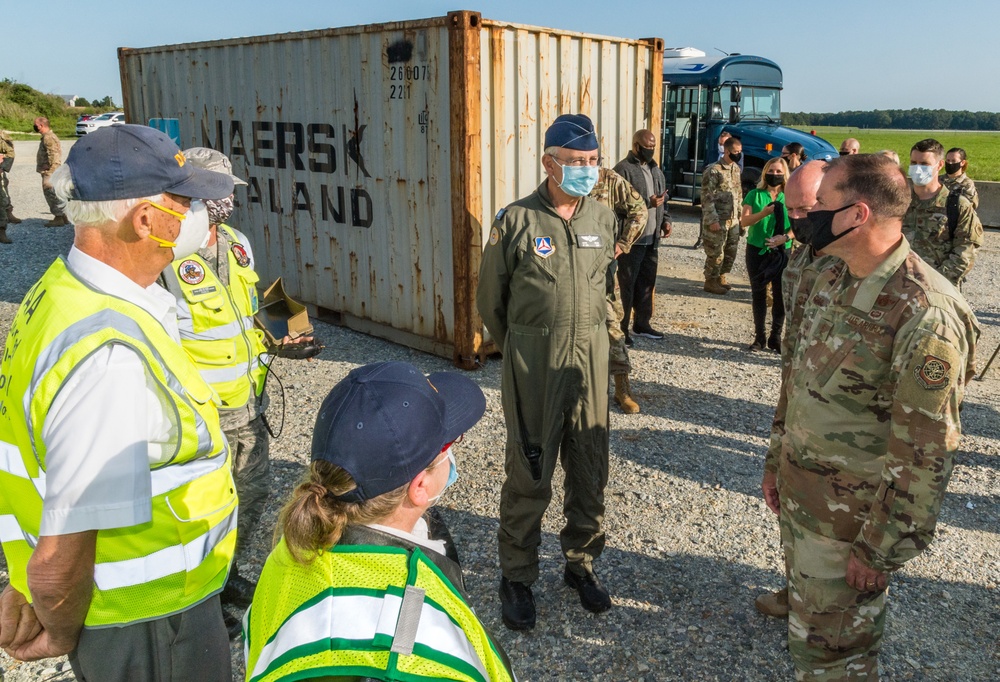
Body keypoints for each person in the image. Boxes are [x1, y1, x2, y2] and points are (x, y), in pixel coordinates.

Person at [0, 124, 237, 681]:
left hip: (146, 613)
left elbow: (43, 462)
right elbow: (68, 537)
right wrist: (55, 618)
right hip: (150, 620)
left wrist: (18, 578)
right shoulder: (108, 354)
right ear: (147, 220)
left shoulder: (64, 293)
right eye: (184, 201)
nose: (197, 214)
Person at [770, 153, 979, 679]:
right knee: (809, 636)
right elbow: (797, 380)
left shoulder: (926, 313)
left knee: (835, 657)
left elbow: (926, 453)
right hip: (806, 500)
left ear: (856, 214)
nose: (805, 212)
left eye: (819, 203)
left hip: (855, 524)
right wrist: (777, 461)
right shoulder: (829, 274)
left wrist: (881, 551)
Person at [243, 361, 516, 682]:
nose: (453, 453)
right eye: (448, 446)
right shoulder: (420, 650)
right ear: (420, 487)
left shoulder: (287, 556)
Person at [477, 113, 616, 631]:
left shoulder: (602, 219)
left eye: (592, 161)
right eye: (576, 162)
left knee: (589, 468)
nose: (586, 170)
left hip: (590, 365)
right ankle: (517, 575)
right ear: (548, 163)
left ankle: (581, 564)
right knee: (530, 471)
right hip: (536, 365)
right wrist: (525, 348)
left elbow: (606, 287)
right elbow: (491, 303)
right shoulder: (515, 221)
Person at [157, 147, 270, 632]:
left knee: (253, 493)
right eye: (217, 191)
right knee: (204, 508)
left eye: (229, 191)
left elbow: (256, 302)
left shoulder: (237, 241)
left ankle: (226, 575)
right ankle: (202, 597)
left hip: (250, 400)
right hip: (202, 412)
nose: (227, 200)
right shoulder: (166, 255)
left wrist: (287, 331)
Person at [757, 159, 833, 619]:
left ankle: (828, 615)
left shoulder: (857, 263)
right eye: (792, 211)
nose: (797, 220)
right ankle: (796, 586)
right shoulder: (806, 252)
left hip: (844, 423)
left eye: (805, 210)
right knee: (795, 509)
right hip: (798, 395)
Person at [589, 166, 646, 413]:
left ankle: (622, 388)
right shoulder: (559, 180)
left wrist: (623, 242)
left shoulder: (610, 180)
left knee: (612, 325)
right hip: (569, 264)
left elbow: (639, 210)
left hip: (601, 266)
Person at [614, 129, 671, 343]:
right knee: (627, 285)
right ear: (636, 146)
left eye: (654, 147)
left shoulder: (656, 170)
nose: (651, 151)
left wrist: (666, 220)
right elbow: (615, 204)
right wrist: (648, 203)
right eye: (647, 147)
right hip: (632, 240)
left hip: (651, 239)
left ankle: (641, 324)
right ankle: (621, 330)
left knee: (647, 283)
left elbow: (664, 199)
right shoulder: (623, 170)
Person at [902, 138, 983, 287]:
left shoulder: (957, 205)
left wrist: (935, 282)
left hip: (939, 289)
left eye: (924, 164)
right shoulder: (900, 202)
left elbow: (966, 251)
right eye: (914, 163)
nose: (918, 168)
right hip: (899, 288)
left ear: (939, 165)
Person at [739, 157, 791, 352]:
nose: (774, 175)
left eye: (778, 172)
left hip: (781, 250)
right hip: (757, 249)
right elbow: (744, 221)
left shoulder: (791, 195)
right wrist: (765, 213)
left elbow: (799, 224)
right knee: (758, 294)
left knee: (780, 295)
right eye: (771, 171)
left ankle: (775, 336)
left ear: (785, 174)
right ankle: (759, 336)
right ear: (765, 173)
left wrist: (785, 238)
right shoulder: (754, 194)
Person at [700, 134, 743, 295]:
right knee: (716, 251)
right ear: (726, 151)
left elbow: (738, 193)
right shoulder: (713, 171)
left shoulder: (736, 169)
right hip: (718, 218)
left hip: (732, 219)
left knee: (731, 250)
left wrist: (739, 215)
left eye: (739, 151)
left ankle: (721, 277)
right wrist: (712, 219)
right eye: (734, 151)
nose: (737, 154)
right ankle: (710, 280)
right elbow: (706, 197)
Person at [33, 117, 69, 227]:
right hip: (50, 170)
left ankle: (58, 217)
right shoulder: (47, 137)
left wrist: (51, 170)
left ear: (41, 125)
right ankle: (63, 217)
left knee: (50, 192)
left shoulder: (48, 137)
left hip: (50, 171)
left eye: (35, 125)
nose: (35, 127)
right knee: (55, 193)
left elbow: (54, 154)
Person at [0, 129, 19, 243]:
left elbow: (10, 154)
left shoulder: (2, 137)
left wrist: (2, 167)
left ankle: (1, 231)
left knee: (1, 200)